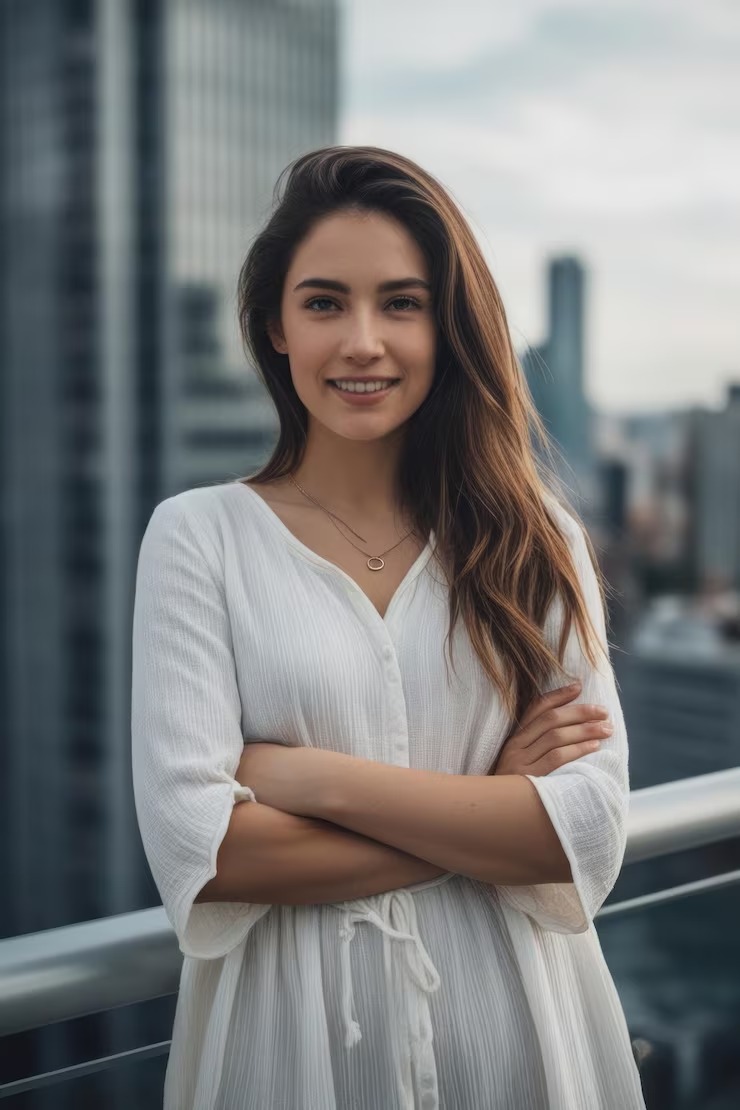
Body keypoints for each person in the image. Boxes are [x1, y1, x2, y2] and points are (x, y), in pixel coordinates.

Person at [131, 145, 647, 1109]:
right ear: (275, 328)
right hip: (289, 1051)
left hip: (521, 1039)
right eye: (324, 303)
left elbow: (586, 831)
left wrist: (305, 777)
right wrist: (490, 806)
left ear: (447, 327)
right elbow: (206, 857)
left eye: (401, 304)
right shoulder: (200, 538)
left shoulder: (539, 541)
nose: (362, 341)